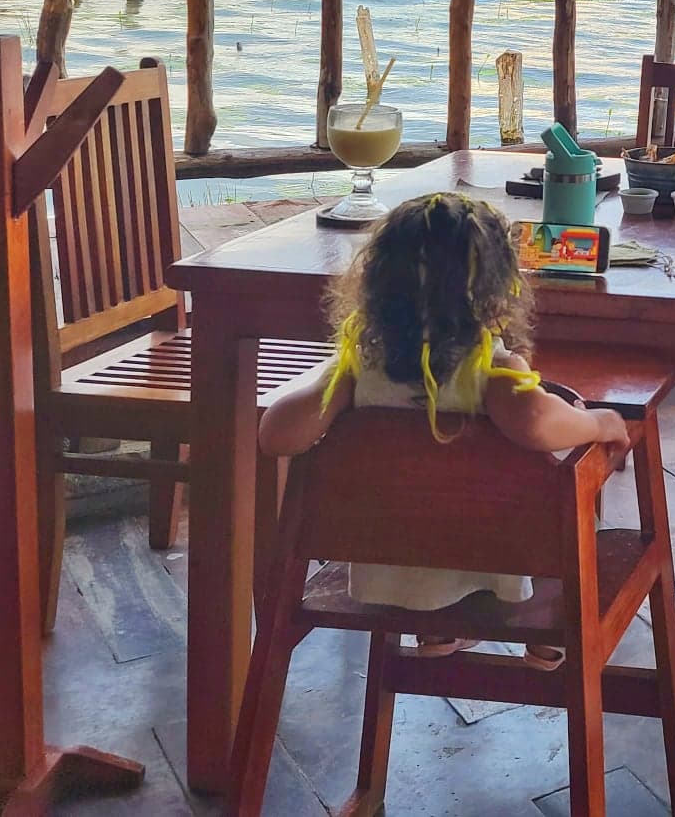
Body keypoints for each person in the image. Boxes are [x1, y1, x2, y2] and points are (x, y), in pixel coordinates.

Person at [259, 192, 629, 665]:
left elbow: (275, 434)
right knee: (566, 496)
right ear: (498, 291)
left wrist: (333, 388)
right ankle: (548, 634)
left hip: (394, 567)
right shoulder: (491, 373)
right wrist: (598, 421)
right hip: (497, 560)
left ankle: (433, 630)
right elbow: (538, 423)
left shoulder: (360, 372)